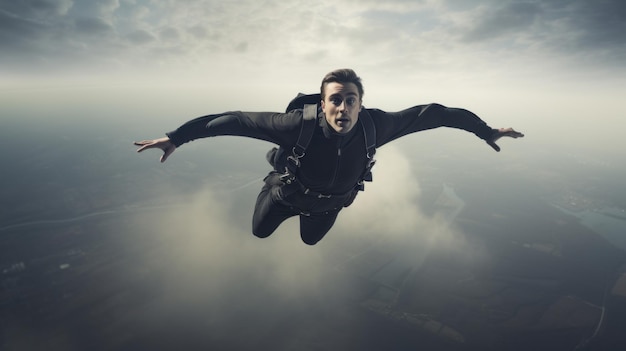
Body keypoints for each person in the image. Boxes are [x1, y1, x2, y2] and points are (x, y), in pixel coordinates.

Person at [135, 68, 523, 245]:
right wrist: (177, 137)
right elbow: (235, 121)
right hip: (285, 195)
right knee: (260, 231)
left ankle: (289, 180)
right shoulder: (294, 125)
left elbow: (435, 114)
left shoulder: (377, 126)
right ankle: (274, 173)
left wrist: (485, 131)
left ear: (360, 104)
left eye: (350, 100)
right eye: (334, 100)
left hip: (329, 205)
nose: (342, 108)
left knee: (309, 242)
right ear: (322, 105)